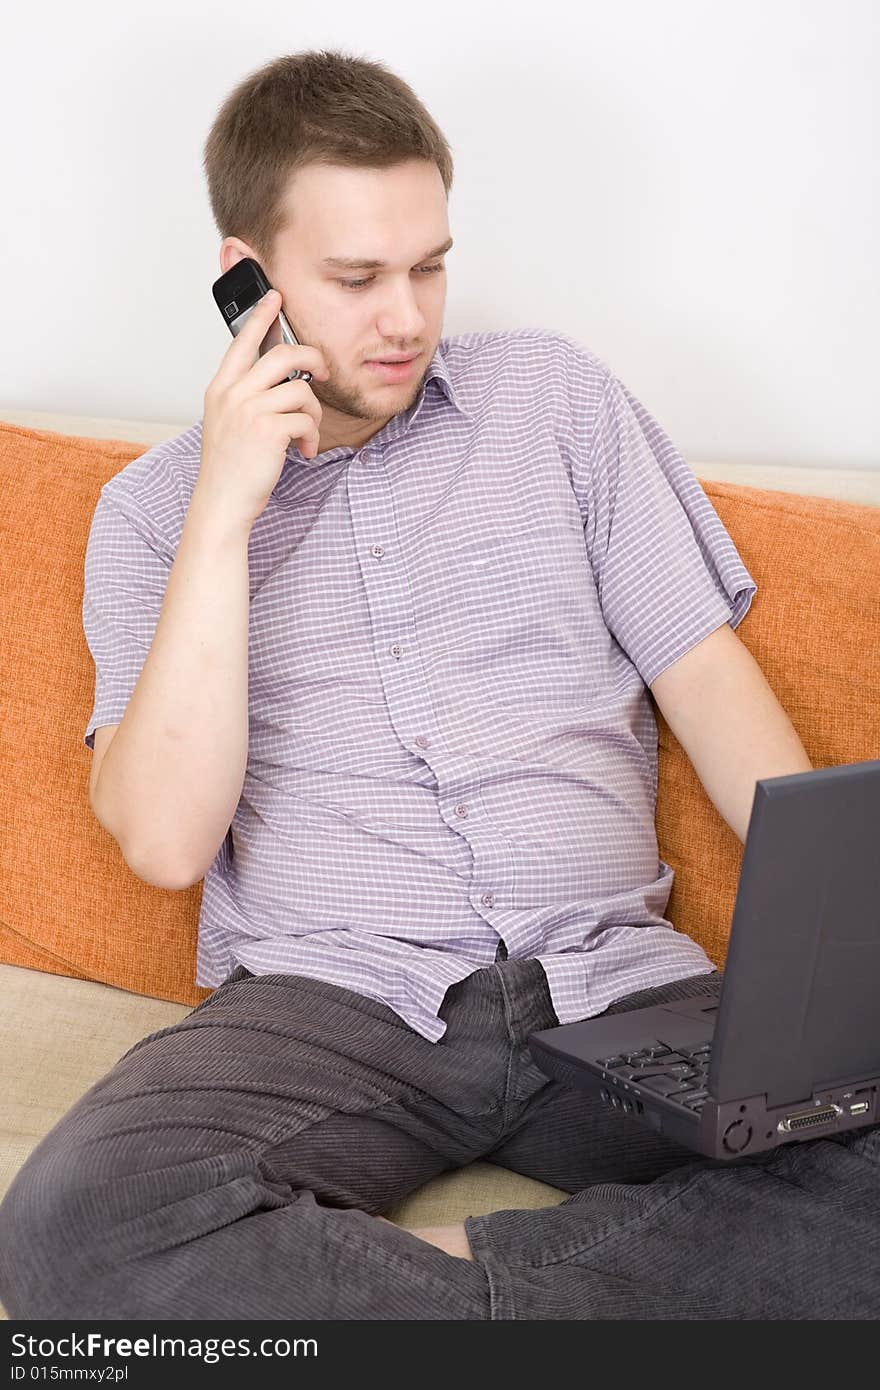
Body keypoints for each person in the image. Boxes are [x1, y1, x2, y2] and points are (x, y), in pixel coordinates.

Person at [1, 48, 877, 1322]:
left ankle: (464, 1304)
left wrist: (839, 932)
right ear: (246, 278)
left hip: (613, 978)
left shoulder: (558, 403)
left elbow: (702, 672)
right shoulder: (153, 517)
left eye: (429, 265)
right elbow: (166, 839)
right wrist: (227, 510)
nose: (406, 315)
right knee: (72, 1232)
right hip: (337, 998)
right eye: (355, 280)